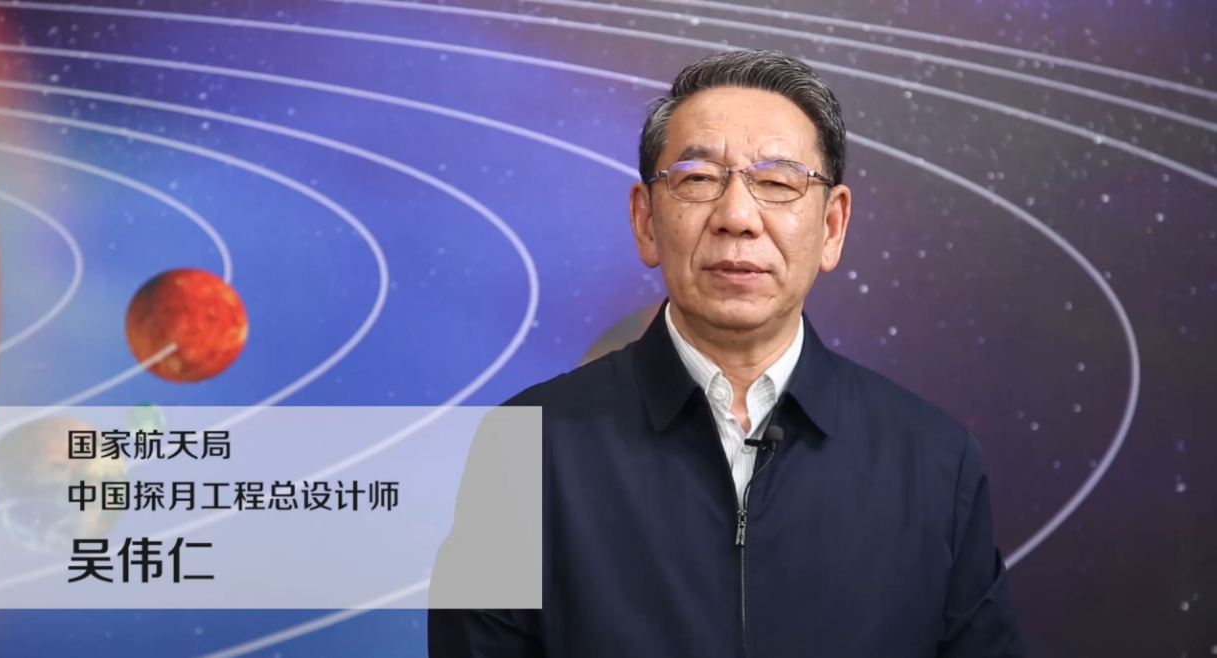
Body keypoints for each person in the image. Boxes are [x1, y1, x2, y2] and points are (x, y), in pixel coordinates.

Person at [427, 49, 1025, 657]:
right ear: (645, 221)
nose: (737, 217)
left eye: (778, 182)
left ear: (832, 226)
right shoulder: (524, 447)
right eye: (697, 179)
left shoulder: (935, 461)